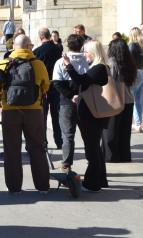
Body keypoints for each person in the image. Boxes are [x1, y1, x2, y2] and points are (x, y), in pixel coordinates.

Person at [0, 35, 51, 194]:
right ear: (28, 47)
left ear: (14, 46)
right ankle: (43, 186)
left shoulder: (4, 64)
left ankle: (14, 187)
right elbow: (46, 86)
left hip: (10, 111)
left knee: (12, 150)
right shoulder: (38, 64)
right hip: (34, 111)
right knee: (37, 148)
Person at [61, 39, 110, 192]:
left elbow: (81, 80)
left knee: (92, 150)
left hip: (92, 115)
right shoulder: (100, 67)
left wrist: (69, 65)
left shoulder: (100, 68)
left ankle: (91, 183)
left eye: (87, 51)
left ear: (94, 53)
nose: (84, 54)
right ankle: (100, 180)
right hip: (94, 114)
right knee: (95, 148)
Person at [52, 34, 87, 173]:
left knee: (68, 135)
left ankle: (66, 164)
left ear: (67, 44)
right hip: (85, 102)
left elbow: (57, 83)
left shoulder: (61, 62)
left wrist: (71, 96)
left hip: (67, 103)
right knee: (87, 134)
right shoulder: (86, 60)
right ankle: (93, 161)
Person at [102, 39, 138, 163]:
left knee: (111, 130)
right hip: (129, 99)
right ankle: (125, 155)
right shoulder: (130, 63)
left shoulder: (111, 64)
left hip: (114, 100)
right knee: (125, 130)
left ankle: (111, 156)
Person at [34, 28, 64, 149]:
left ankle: (43, 140)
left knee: (43, 115)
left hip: (44, 87)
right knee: (56, 115)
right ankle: (59, 141)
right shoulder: (58, 49)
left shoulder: (38, 51)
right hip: (56, 85)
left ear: (40, 38)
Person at [128, 27, 143, 132]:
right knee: (139, 100)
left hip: (135, 72)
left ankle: (131, 122)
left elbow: (128, 59)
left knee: (131, 97)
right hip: (142, 71)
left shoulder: (132, 45)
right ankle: (138, 123)